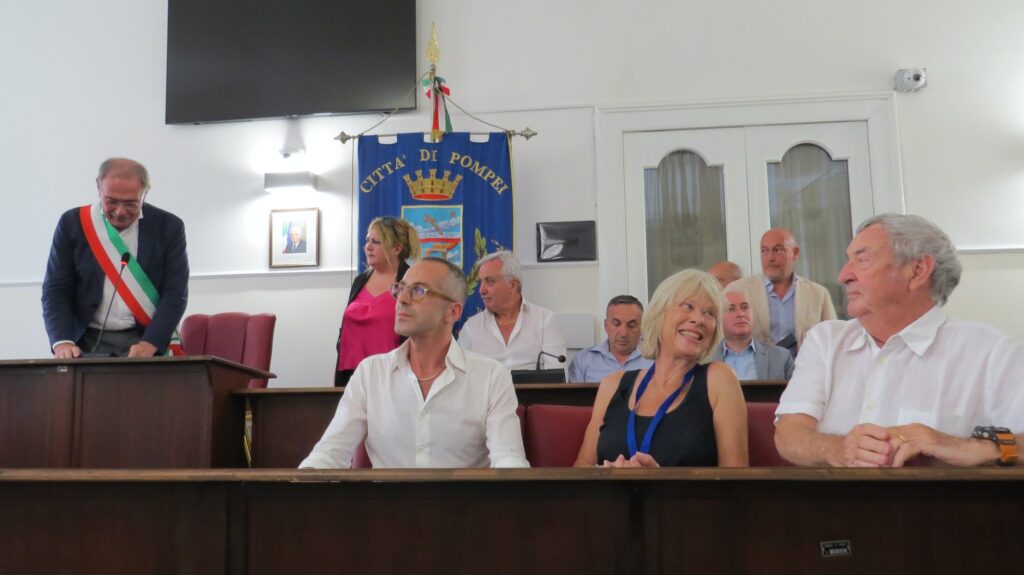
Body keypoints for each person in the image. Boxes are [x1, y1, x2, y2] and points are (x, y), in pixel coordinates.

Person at [775, 214, 1024, 468]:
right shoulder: (826, 340)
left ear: (917, 271)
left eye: (861, 260)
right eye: (847, 261)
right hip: (827, 505)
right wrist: (841, 449)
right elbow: (788, 436)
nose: (843, 275)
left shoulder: (993, 353)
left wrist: (966, 446)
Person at [301, 257, 529, 469]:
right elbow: (330, 453)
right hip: (388, 508)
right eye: (400, 288)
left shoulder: (491, 376)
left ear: (452, 311)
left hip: (463, 509)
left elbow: (508, 460)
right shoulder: (370, 373)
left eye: (418, 291)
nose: (402, 299)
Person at [573, 269, 748, 468]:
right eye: (688, 306)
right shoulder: (612, 384)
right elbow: (583, 465)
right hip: (610, 498)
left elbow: (736, 480)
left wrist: (660, 483)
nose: (699, 319)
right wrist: (608, 476)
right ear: (660, 313)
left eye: (709, 313)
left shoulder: (719, 379)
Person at [41, 157, 189, 358]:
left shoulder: (169, 227)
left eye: (131, 204)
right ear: (98, 187)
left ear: (145, 193)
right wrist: (62, 341)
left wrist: (151, 342)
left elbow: (175, 293)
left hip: (144, 339)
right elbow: (56, 289)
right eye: (111, 201)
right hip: (85, 342)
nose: (120, 212)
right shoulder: (73, 223)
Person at [335, 216, 420, 386]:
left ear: (397, 248)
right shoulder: (360, 280)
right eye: (367, 240)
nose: (368, 246)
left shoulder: (411, 280)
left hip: (394, 376)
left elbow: (418, 332)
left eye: (376, 242)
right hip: (352, 375)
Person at [725, 228, 836, 350]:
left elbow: (832, 339)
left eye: (777, 250)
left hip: (804, 366)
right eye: (764, 251)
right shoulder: (736, 291)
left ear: (795, 253)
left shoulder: (818, 294)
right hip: (753, 367)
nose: (770, 258)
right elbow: (721, 338)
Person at [458, 250, 567, 371]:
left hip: (532, 390)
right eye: (481, 282)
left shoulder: (545, 320)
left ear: (513, 284)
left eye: (490, 281)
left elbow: (557, 378)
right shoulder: (471, 327)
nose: (481, 290)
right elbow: (460, 376)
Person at [710, 291, 794, 380]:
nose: (740, 314)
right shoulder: (705, 361)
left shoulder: (781, 358)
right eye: (731, 309)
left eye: (745, 307)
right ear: (718, 317)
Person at [568, 295, 653, 382]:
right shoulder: (583, 360)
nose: (623, 333)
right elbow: (572, 395)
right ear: (606, 325)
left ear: (643, 327)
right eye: (616, 324)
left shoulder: (656, 360)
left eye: (631, 325)